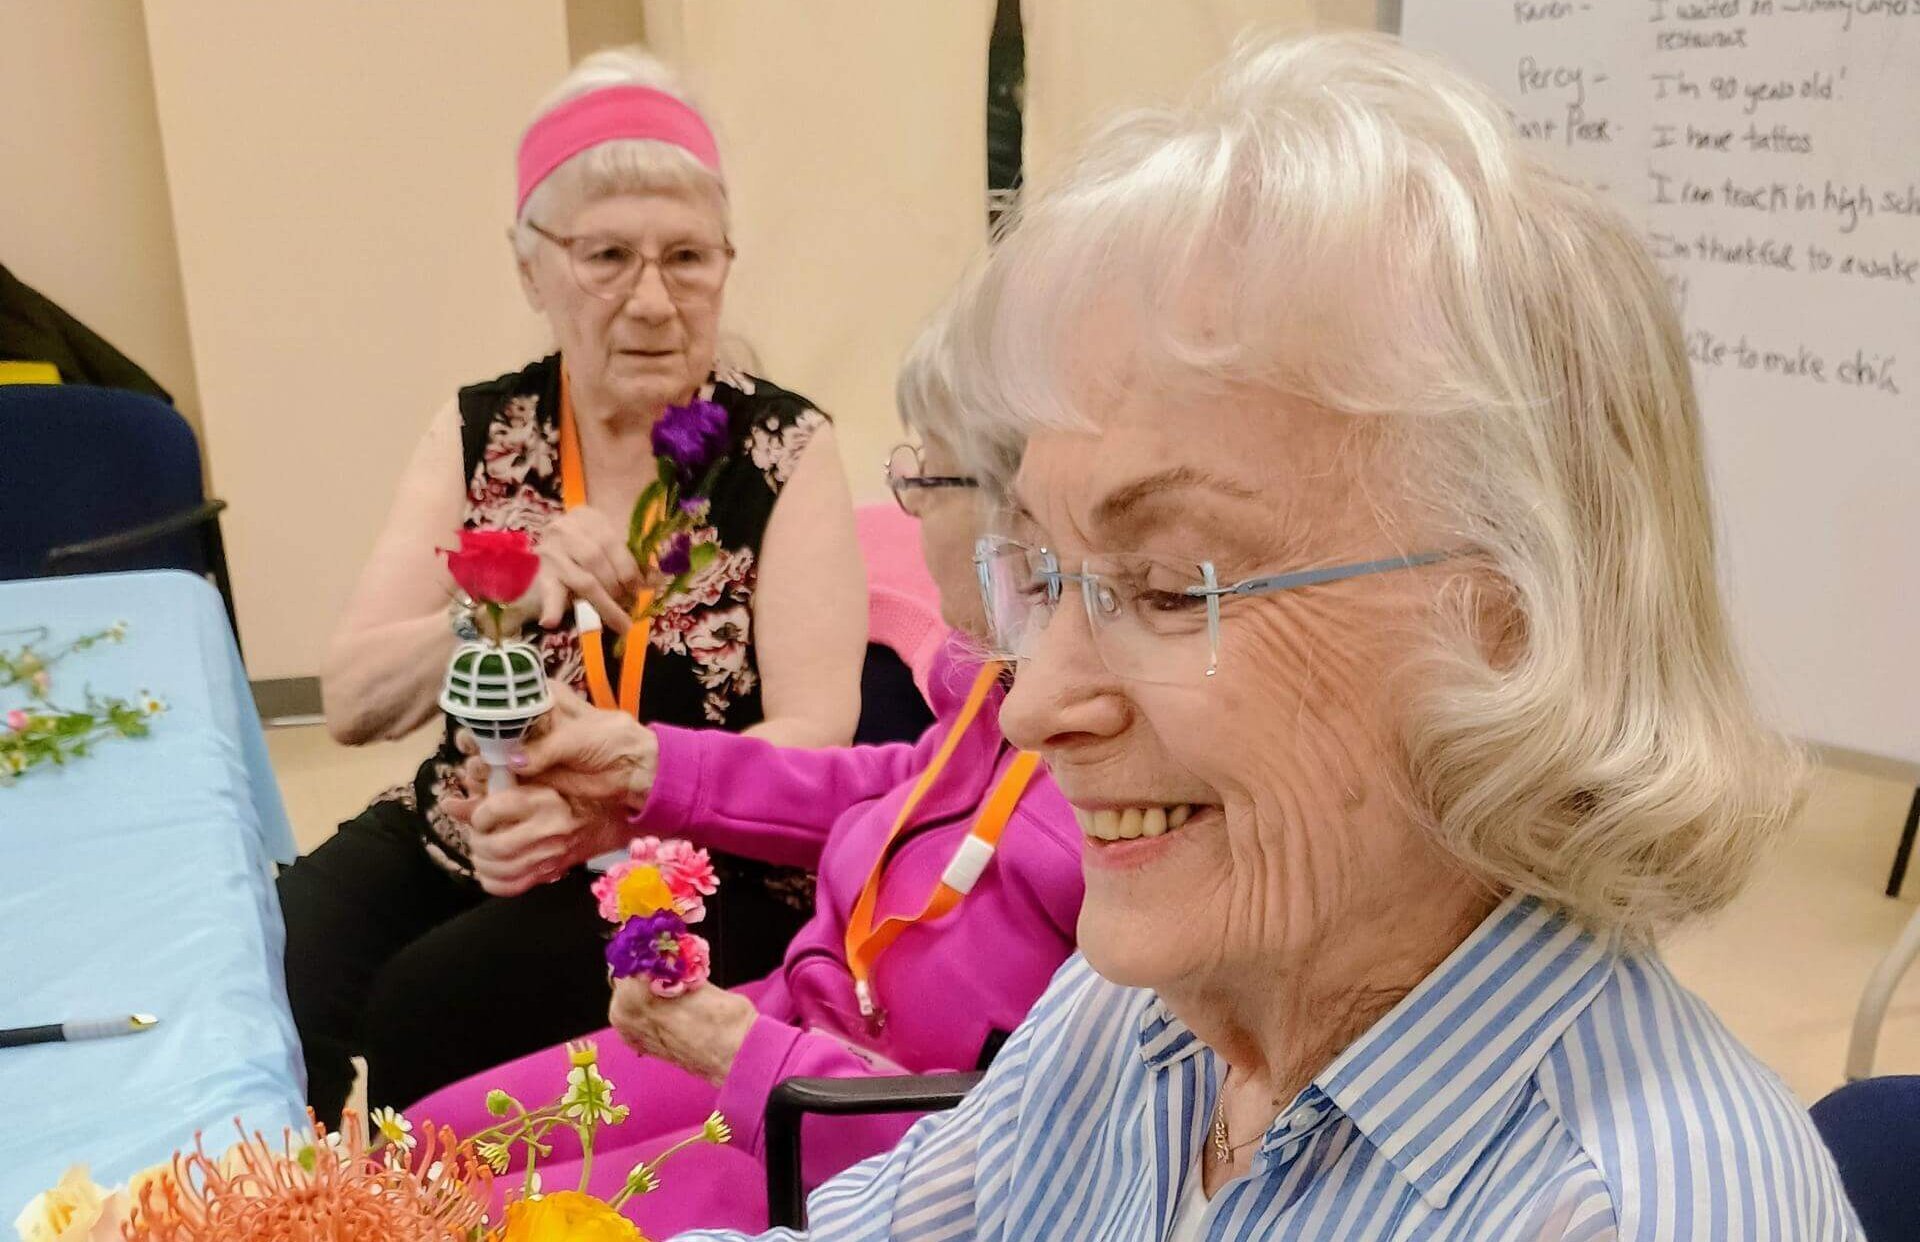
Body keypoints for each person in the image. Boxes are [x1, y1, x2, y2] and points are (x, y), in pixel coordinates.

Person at [678, 33, 1862, 1242]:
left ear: (1516, 620)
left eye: (1164, 588)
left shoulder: (1621, 1213)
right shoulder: (1149, 1012)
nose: (1033, 707)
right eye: (1041, 570)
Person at [278, 47, 868, 1125]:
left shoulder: (784, 448)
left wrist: (611, 809)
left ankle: (430, 1203)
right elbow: (354, 699)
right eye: (607, 257)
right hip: (478, 818)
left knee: (431, 1006)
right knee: (279, 951)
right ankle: (262, 1196)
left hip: (688, 863)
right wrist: (494, 599)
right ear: (531, 271)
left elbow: (819, 733)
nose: (652, 301)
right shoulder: (485, 429)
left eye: (686, 257)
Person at [408, 306, 1084, 1238]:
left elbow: (1014, 1155)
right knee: (416, 1152)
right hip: (793, 1032)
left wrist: (743, 1054)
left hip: (845, 1129)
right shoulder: (1001, 676)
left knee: (433, 1218)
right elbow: (905, 789)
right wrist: (644, 764)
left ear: (1020, 509)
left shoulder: (1102, 778)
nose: (906, 510)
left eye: (922, 477)